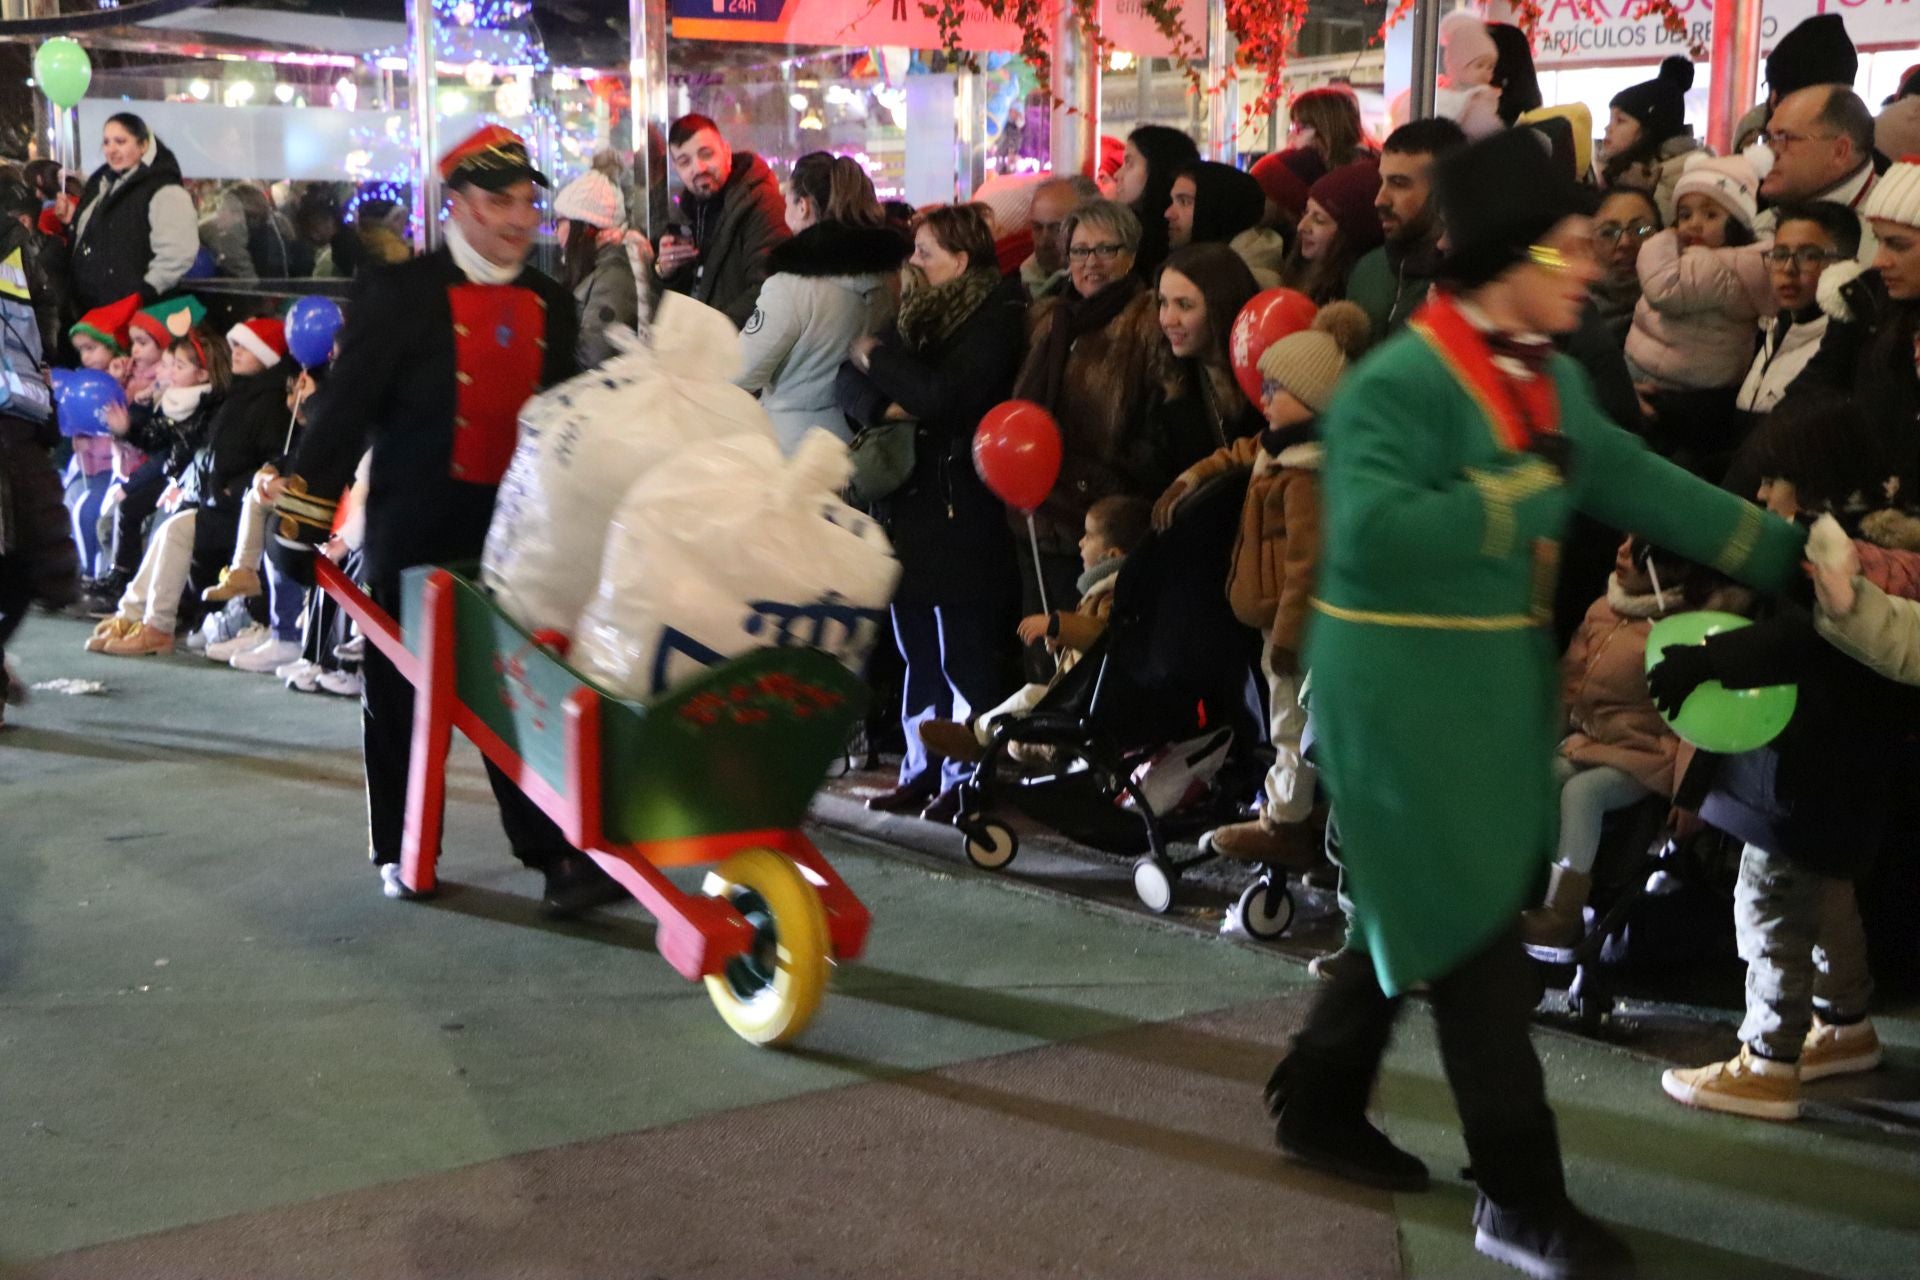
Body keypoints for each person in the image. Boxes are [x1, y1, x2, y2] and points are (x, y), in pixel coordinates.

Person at [1272, 126, 1804, 1279]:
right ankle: (1520, 1197)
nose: (1591, 269)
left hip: (1488, 690)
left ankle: (1315, 1096)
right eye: (1569, 252)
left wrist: (1792, 555)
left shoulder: (1550, 376)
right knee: (1471, 945)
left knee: (1429, 904)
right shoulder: (1402, 380)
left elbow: (1637, 481)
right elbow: (1370, 536)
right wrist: (1515, 497)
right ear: (1511, 259)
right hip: (1395, 693)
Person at [265, 125, 616, 917]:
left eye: (529, 201)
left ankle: (554, 857)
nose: (520, 219)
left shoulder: (550, 303)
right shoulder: (399, 294)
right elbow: (344, 411)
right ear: (456, 204)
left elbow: (564, 419)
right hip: (414, 533)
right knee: (398, 701)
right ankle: (398, 848)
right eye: (500, 201)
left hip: (516, 537)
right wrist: (299, 521)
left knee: (519, 697)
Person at [1651, 396, 1906, 1121]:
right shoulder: (1879, 549)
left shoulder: (1831, 556)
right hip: (1845, 768)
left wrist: (1707, 659)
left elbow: (1803, 638)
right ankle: (1844, 1023)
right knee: (1825, 894)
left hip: (1805, 767)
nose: (1762, 494)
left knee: (1767, 900)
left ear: (1815, 480)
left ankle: (1767, 1061)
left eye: (1776, 479)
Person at [1157, 301, 1371, 866]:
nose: (1265, 396)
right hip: (1271, 618)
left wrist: (1290, 638)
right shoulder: (1277, 446)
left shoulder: (1309, 473)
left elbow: (1309, 564)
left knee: (1291, 725)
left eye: (1277, 387)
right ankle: (1289, 810)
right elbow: (1236, 454)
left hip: (1293, 625)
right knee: (1284, 722)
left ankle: (1286, 820)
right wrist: (1190, 478)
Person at [834, 204, 1024, 820]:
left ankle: (969, 777)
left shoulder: (993, 318)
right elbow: (849, 379)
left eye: (925, 251)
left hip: (956, 507)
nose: (912, 262)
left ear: (961, 261)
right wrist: (886, 404)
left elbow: (943, 397)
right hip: (906, 508)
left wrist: (880, 363)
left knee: (962, 651)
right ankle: (922, 768)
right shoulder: (914, 313)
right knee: (916, 646)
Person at [1520, 538, 1711, 947]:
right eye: (1622, 541)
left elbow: (1699, 715)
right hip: (1595, 743)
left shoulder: (1685, 629)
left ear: (1668, 569)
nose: (1622, 552)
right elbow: (1568, 684)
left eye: (1636, 549)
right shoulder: (1603, 611)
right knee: (1550, 776)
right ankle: (1540, 891)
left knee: (1582, 793)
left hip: (1649, 756)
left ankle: (1563, 914)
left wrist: (1688, 791)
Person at [1009, 200, 1167, 656]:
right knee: (1041, 656)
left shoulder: (1147, 320)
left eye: (1104, 250)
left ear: (1131, 255)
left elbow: (1156, 423)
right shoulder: (1048, 317)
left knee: (1087, 655)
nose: (1090, 263)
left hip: (1101, 526)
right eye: (1079, 251)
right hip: (1036, 521)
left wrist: (1099, 480)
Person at [916, 494, 1150, 766]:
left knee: (1030, 695)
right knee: (1031, 702)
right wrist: (1063, 639)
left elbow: (1104, 634)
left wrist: (1056, 624)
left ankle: (978, 737)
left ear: (1112, 555)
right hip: (1089, 695)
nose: (1080, 542)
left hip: (1092, 701)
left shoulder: (1112, 594)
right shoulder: (1105, 591)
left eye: (1088, 536)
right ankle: (998, 739)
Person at [736, 151, 908, 454]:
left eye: (787, 197)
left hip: (793, 450)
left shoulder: (789, 286)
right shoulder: (891, 276)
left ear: (802, 207)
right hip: (866, 444)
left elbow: (742, 371)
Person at [1624, 149, 1775, 466]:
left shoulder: (1721, 266)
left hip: (1684, 397)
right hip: (1674, 386)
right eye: (1685, 215)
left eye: (1710, 215)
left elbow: (1663, 290)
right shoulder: (1702, 260)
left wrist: (1659, 240)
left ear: (1737, 223)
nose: (1693, 224)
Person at [86, 328, 230, 656]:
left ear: (203, 374)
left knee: (167, 528)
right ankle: (132, 612)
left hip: (201, 495)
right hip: (184, 487)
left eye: (179, 366)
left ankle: (157, 623)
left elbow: (184, 448)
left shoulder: (209, 407)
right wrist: (128, 427)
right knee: (162, 527)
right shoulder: (178, 402)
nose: (171, 372)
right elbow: (155, 438)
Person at [0, 220, 77, 720]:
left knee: (30, 559)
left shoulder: (10, 237)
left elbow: (41, 305)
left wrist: (41, 358)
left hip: (14, 415)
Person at [657, 114, 789, 328]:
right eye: (685, 162)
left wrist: (711, 334)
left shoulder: (762, 203)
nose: (698, 168)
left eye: (706, 154)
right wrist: (666, 270)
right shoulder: (689, 210)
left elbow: (769, 289)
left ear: (726, 152)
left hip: (735, 350)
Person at [1147, 243, 1264, 478]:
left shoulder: (1271, 380)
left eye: (1184, 305)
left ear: (1221, 307)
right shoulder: (1166, 383)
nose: (1168, 319)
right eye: (1163, 302)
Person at [1735, 201, 1857, 421]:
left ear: (1846, 267)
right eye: (1780, 255)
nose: (1788, 269)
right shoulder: (1770, 328)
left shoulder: (1844, 352)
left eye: (1809, 256)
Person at [1346, 119, 1466, 342]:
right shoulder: (1368, 270)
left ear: (1444, 191)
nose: (1380, 200)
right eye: (1381, 181)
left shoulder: (1465, 288)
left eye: (1399, 184)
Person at [68, 113, 198, 313]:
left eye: (120, 141)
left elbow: (176, 254)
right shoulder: (102, 184)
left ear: (143, 145)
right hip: (98, 311)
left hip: (139, 314)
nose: (112, 150)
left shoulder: (164, 190)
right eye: (106, 142)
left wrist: (142, 293)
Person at [1756, 86, 1880, 256]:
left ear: (1839, 152)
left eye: (1784, 138)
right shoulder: (1761, 225)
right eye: (1768, 138)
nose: (1766, 153)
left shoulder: (1897, 228)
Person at [552, 166, 638, 369]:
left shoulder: (615, 277)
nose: (556, 232)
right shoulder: (596, 268)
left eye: (560, 222)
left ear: (582, 227)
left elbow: (596, 355)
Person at [1600, 57, 1702, 223]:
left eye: (1620, 120)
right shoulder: (1620, 172)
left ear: (1649, 131)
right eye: (1610, 119)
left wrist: (1638, 195)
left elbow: (1643, 235)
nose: (1607, 128)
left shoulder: (1678, 181)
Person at [1165, 160, 1284, 287]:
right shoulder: (1212, 270)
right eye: (1172, 201)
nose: (1168, 213)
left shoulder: (1245, 284)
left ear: (1219, 207)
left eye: (1184, 202)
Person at [1283, 159, 1382, 305]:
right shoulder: (1300, 274)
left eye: (1319, 219)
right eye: (1306, 213)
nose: (1301, 226)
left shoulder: (1352, 298)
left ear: (1350, 234)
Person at [1112, 124, 1200, 280]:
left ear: (1157, 166)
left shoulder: (1182, 245)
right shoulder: (1126, 232)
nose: (1117, 174)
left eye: (1129, 163)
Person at [1589, 188, 1660, 345]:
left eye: (1641, 230)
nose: (1625, 242)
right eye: (1608, 232)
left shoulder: (1684, 311)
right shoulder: (1567, 319)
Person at [1020, 174, 1099, 300]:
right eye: (1037, 227)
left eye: (1057, 229)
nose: (1043, 241)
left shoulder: (1098, 296)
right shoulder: (1012, 290)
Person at [1287, 86, 1373, 171]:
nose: (1290, 136)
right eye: (1292, 127)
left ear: (1326, 129)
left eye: (1299, 127)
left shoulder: (1355, 173)